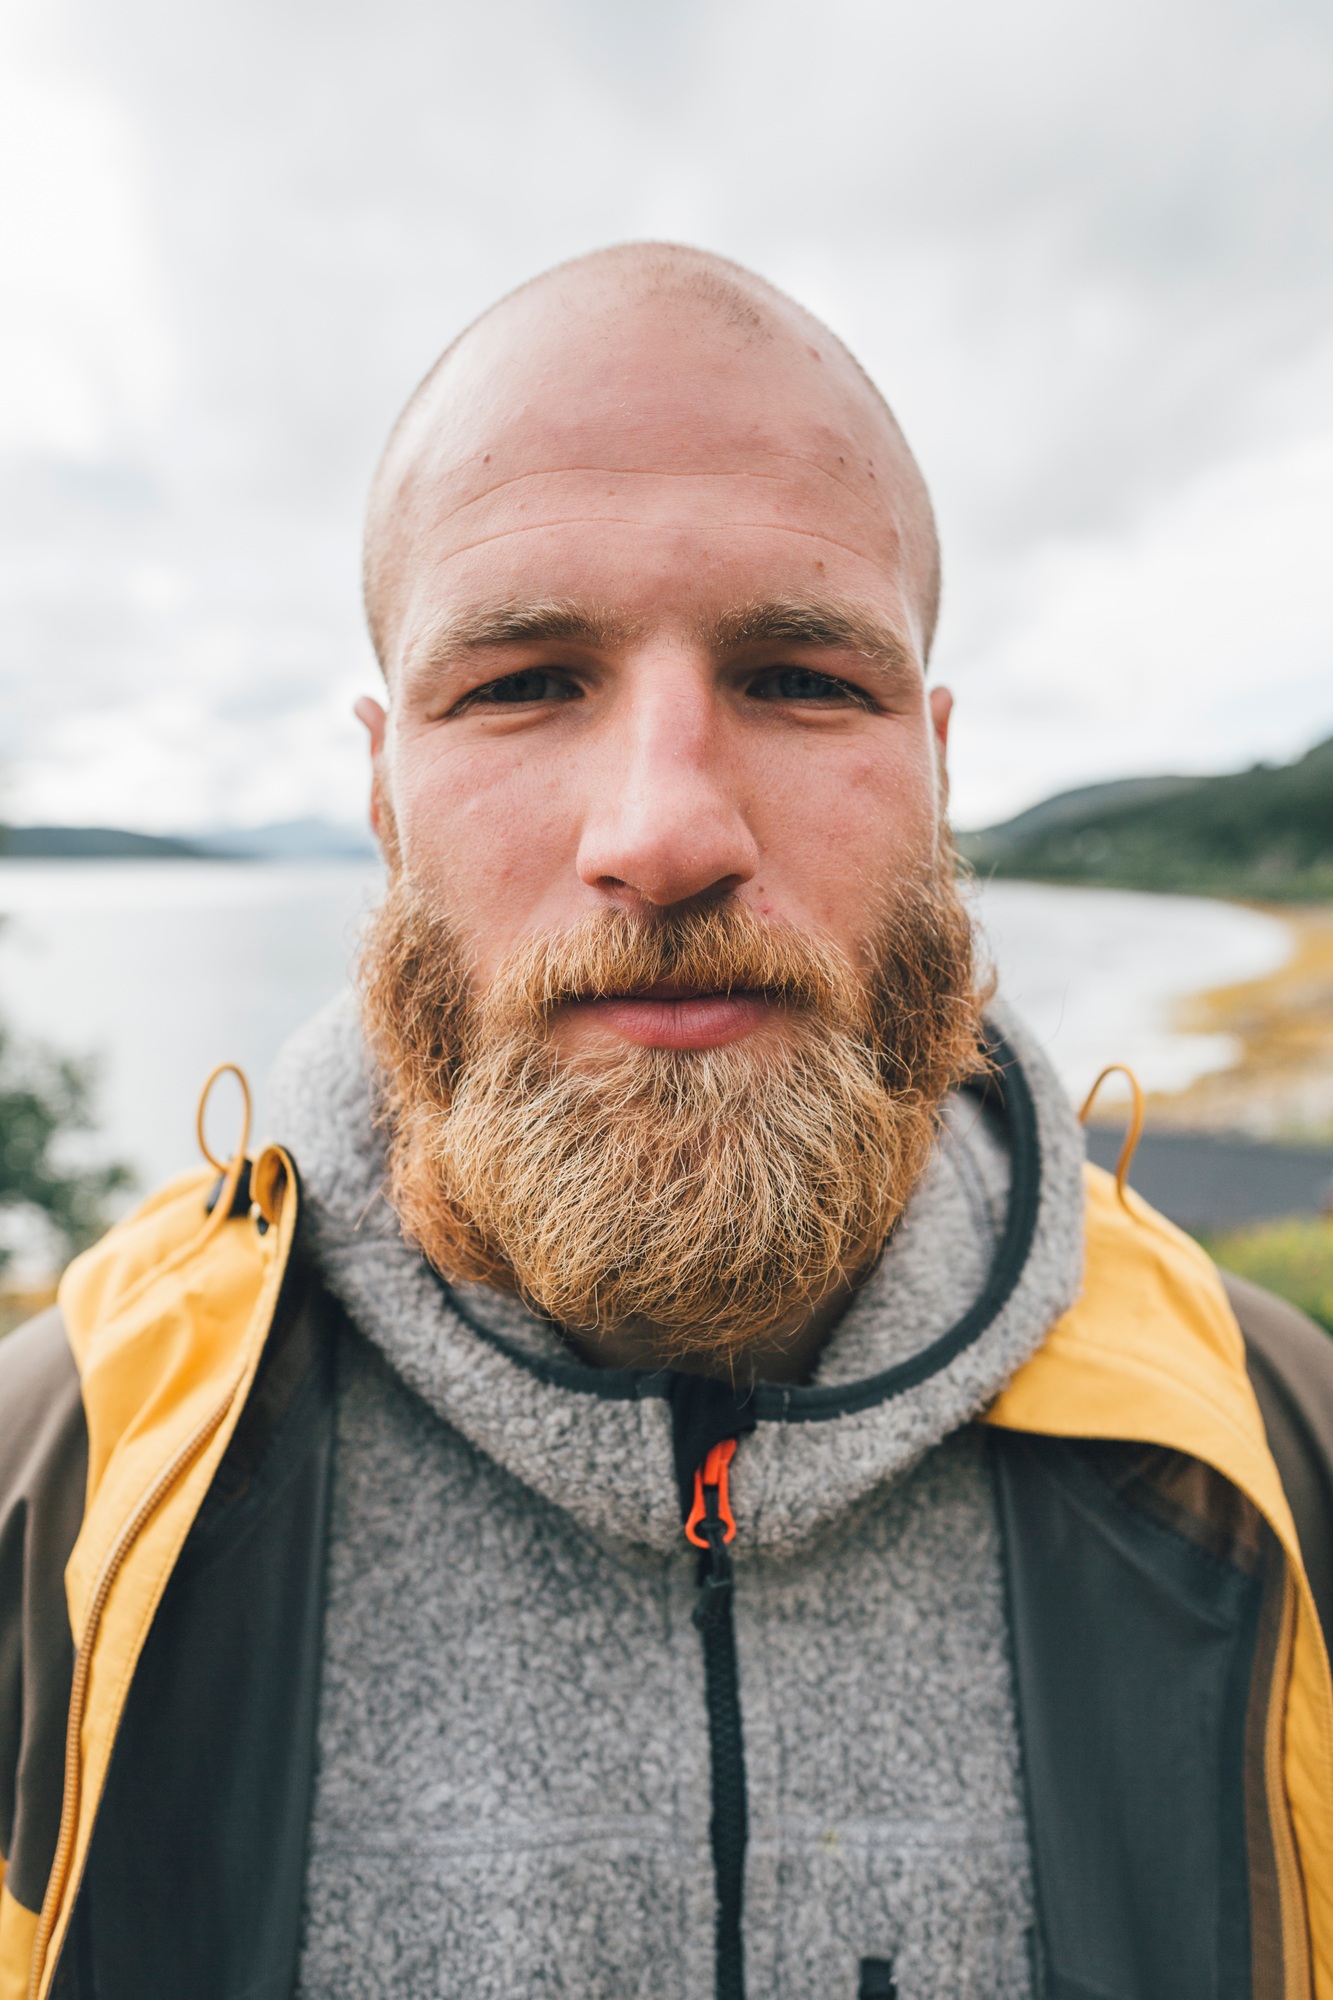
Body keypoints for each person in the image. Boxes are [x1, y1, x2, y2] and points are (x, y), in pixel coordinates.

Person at [2, 244, 1332, 2000]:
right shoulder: (63, 1477)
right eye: (524, 681)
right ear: (385, 797)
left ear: (934, 768)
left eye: (800, 679)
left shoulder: (1273, 1450)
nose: (665, 829)